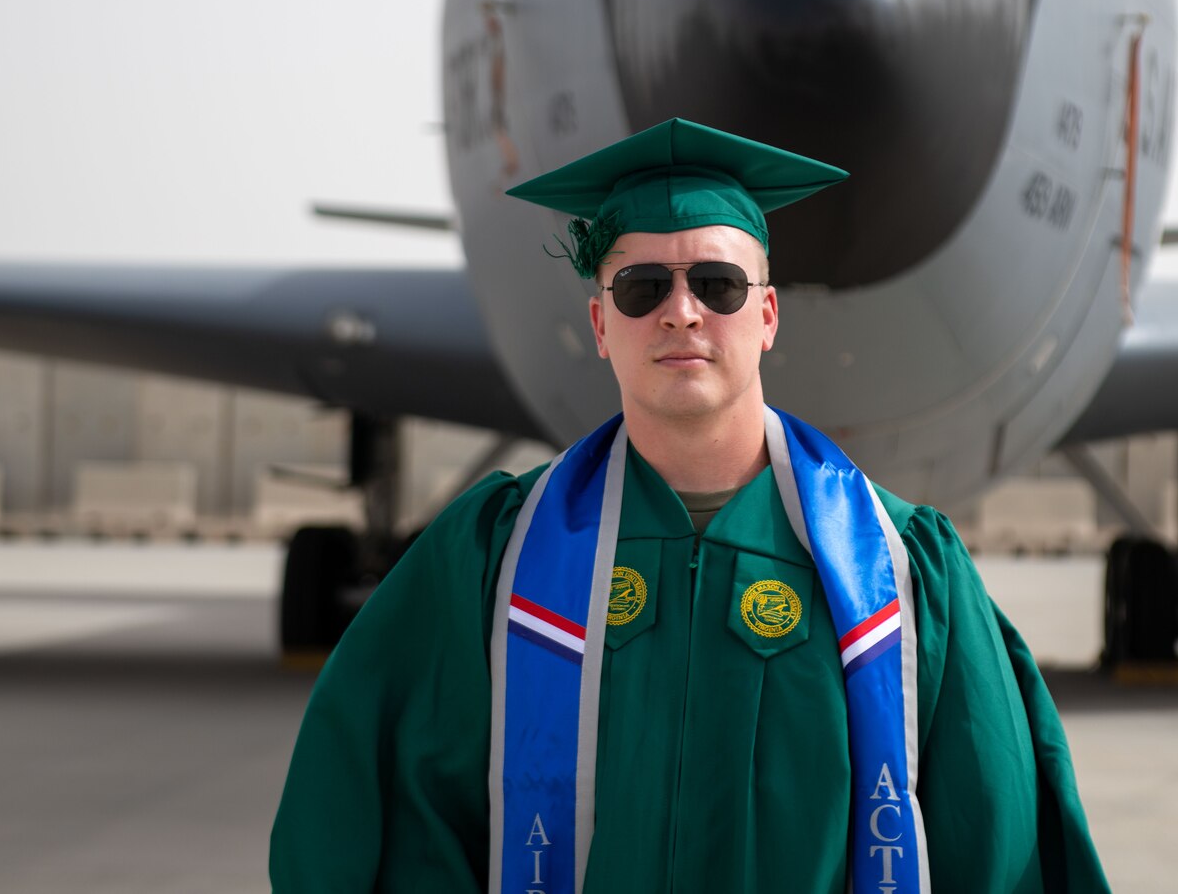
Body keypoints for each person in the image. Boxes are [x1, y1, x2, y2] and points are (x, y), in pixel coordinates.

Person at [270, 118, 1110, 893]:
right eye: (642, 288)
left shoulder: (902, 573)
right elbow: (379, 819)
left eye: (719, 283)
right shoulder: (493, 561)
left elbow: (998, 845)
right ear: (601, 323)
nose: (682, 310)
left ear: (769, 314)